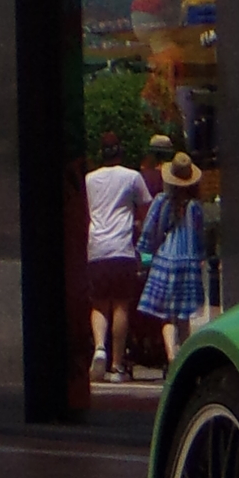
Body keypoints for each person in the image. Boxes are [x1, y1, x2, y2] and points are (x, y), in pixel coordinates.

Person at [136, 148, 208, 364]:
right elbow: (199, 235)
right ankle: (185, 358)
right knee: (184, 313)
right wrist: (201, 256)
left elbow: (149, 230)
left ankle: (171, 355)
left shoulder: (161, 201)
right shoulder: (195, 207)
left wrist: (144, 252)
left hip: (165, 258)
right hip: (188, 261)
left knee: (166, 314)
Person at [82, 137, 146, 381]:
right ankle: (117, 365)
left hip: (96, 247)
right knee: (121, 304)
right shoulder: (131, 177)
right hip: (122, 247)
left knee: (98, 304)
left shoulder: (89, 179)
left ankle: (99, 347)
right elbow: (144, 207)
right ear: (120, 153)